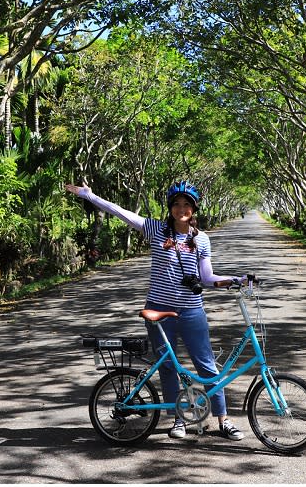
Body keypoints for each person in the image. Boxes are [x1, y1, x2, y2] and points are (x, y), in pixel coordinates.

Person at [65, 180, 245, 441]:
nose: (181, 209)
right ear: (170, 207)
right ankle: (178, 419)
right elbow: (121, 213)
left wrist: (237, 280)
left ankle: (223, 420)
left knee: (206, 367)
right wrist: (90, 196)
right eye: (176, 204)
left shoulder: (202, 239)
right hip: (159, 312)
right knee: (169, 367)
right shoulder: (157, 230)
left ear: (194, 209)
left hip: (192, 312)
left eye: (186, 205)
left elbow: (207, 278)